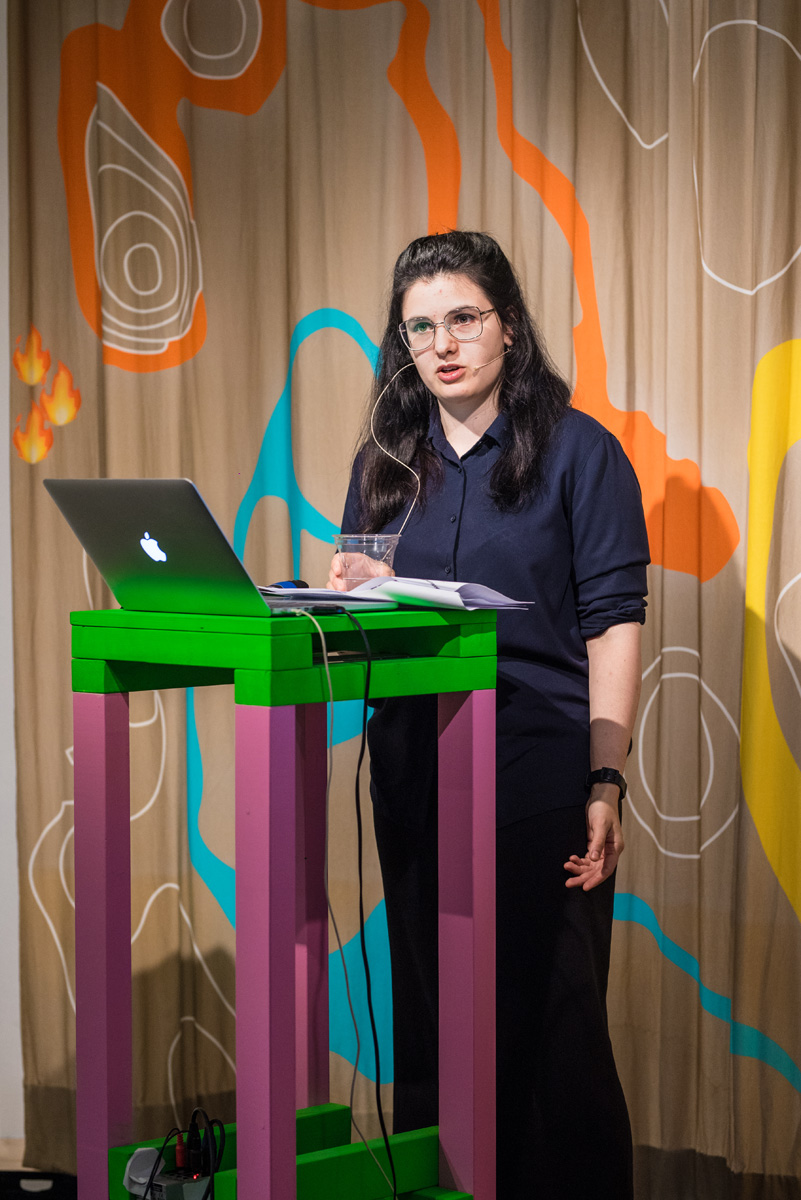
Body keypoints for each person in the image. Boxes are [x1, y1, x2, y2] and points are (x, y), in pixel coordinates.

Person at [328, 231, 649, 1197]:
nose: (442, 345)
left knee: (552, 1031)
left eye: (462, 319)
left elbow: (612, 625)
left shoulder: (581, 452)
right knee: (431, 1021)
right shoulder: (384, 460)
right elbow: (363, 600)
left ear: (507, 325)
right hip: (413, 771)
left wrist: (605, 779)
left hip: (536, 775)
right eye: (419, 327)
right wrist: (348, 592)